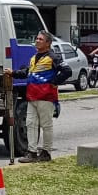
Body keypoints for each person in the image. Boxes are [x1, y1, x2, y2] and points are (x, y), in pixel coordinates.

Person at [17, 30, 70, 163]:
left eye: (40, 39)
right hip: (31, 96)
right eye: (37, 39)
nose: (37, 41)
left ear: (48, 43)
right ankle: (32, 152)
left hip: (46, 97)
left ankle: (46, 152)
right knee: (31, 124)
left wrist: (54, 82)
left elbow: (67, 71)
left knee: (46, 125)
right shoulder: (34, 58)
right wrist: (12, 73)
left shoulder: (53, 57)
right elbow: (26, 73)